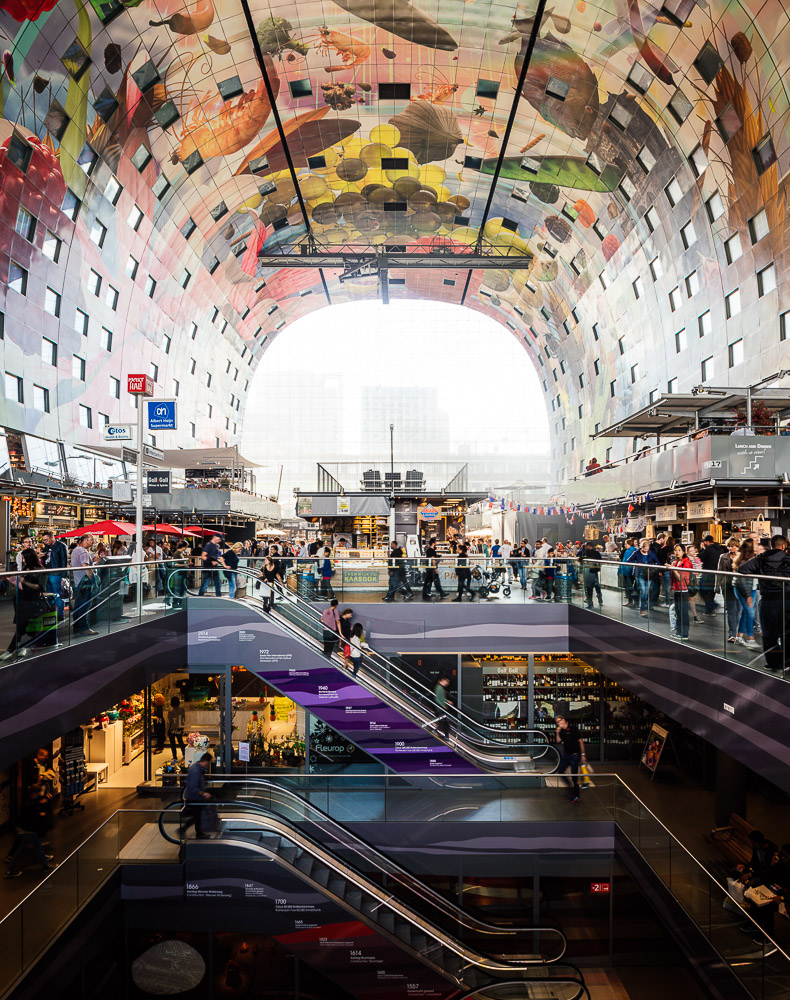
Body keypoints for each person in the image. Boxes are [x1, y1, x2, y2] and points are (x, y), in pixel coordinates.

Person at [738, 535, 790, 673]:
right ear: (784, 546)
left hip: (768, 601)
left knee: (769, 634)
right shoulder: (788, 559)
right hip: (788, 600)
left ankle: (774, 663)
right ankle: (788, 663)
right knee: (788, 633)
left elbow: (742, 569)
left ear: (772, 545)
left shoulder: (760, 559)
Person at [2, 548, 47, 658]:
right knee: (22, 624)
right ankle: (20, 647)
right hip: (21, 598)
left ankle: (13, 649)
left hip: (31, 600)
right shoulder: (25, 568)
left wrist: (24, 581)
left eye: (24, 558)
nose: (23, 560)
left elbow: (40, 587)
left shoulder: (39, 570)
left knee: (23, 624)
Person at [5, 780, 55, 877]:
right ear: (34, 793)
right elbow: (30, 815)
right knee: (34, 847)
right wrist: (40, 814)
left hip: (26, 829)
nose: (38, 795)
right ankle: (45, 865)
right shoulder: (29, 804)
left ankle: (10, 869)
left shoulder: (29, 800)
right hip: (29, 830)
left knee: (30, 847)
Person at [732, 538, 759, 648]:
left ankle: (739, 637)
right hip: (743, 590)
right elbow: (742, 581)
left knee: (746, 612)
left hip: (751, 588)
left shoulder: (753, 559)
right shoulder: (743, 563)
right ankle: (750, 639)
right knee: (750, 612)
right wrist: (748, 595)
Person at [71, 534, 97, 634]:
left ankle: (77, 626)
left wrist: (92, 561)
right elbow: (85, 566)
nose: (93, 542)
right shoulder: (83, 551)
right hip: (84, 582)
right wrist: (92, 579)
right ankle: (84, 628)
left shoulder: (76, 550)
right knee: (84, 605)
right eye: (92, 540)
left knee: (79, 605)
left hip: (78, 581)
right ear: (85, 540)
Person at [626, 538, 660, 616]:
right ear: (642, 547)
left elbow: (657, 562)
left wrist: (653, 566)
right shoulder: (637, 553)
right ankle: (642, 609)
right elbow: (629, 561)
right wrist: (637, 563)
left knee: (647, 591)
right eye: (645, 547)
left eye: (647, 547)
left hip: (649, 574)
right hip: (639, 573)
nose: (646, 549)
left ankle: (645, 605)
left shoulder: (651, 553)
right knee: (644, 591)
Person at [555, 715, 585, 803]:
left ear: (563, 720)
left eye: (559, 721)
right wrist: (557, 732)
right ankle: (570, 789)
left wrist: (583, 754)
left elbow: (581, 741)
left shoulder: (573, 729)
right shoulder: (562, 731)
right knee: (561, 771)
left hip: (575, 756)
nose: (558, 723)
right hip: (566, 755)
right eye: (557, 722)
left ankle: (576, 795)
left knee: (574, 776)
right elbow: (558, 741)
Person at [184, 752, 213, 839]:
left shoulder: (197, 768)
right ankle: (185, 830)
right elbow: (193, 788)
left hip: (196, 797)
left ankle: (199, 833)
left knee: (197, 816)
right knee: (196, 816)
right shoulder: (195, 770)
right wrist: (204, 794)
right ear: (206, 761)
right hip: (194, 798)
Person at [718, 537, 741, 644]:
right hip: (727, 585)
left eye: (733, 546)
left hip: (740, 586)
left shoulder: (743, 557)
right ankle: (732, 633)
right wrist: (716, 585)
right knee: (731, 610)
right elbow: (719, 572)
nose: (731, 548)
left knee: (738, 610)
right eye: (729, 546)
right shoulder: (723, 557)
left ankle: (735, 631)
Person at [41, 530, 67, 621]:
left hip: (56, 573)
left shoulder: (61, 546)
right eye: (44, 540)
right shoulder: (46, 547)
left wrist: (63, 576)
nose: (45, 542)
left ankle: (60, 614)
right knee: (49, 594)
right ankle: (52, 612)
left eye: (46, 540)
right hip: (47, 573)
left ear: (52, 537)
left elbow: (64, 561)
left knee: (58, 594)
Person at [669, 542, 693, 640]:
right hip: (677, 590)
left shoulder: (686, 562)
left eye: (679, 550)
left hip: (684, 590)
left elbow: (681, 578)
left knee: (683, 612)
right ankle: (679, 632)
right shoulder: (676, 562)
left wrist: (673, 569)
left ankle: (684, 634)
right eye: (675, 550)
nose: (677, 552)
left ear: (683, 551)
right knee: (678, 612)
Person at [699, 534, 726, 615]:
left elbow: (701, 557)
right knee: (711, 592)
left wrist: (702, 549)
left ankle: (713, 605)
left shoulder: (708, 549)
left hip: (707, 573)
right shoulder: (719, 549)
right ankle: (709, 610)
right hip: (716, 573)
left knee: (702, 590)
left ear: (707, 542)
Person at [579, 540, 603, 609]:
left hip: (588, 571)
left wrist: (580, 558)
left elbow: (584, 558)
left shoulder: (587, 552)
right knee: (597, 585)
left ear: (588, 546)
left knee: (588, 587)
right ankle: (600, 599)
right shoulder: (597, 553)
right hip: (595, 571)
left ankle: (590, 603)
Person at [422, 536, 445, 601]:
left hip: (429, 568)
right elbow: (433, 560)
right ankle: (441, 593)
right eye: (436, 542)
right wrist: (435, 568)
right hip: (431, 568)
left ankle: (426, 593)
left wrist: (438, 556)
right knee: (435, 581)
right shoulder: (431, 550)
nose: (436, 543)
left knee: (429, 581)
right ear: (434, 543)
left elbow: (434, 557)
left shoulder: (429, 550)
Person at [618, 538, 638, 607]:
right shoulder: (636, 550)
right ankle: (636, 602)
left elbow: (624, 561)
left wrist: (620, 570)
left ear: (629, 544)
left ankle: (630, 602)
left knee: (629, 587)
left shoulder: (628, 551)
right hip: (634, 571)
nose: (625, 545)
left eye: (626, 544)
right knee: (634, 586)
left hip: (627, 571)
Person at [167, 695, 186, 760]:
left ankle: (175, 756)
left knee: (173, 744)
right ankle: (184, 754)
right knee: (180, 741)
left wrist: (167, 730)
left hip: (172, 728)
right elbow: (183, 719)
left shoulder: (171, 711)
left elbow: (169, 721)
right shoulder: (182, 710)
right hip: (179, 728)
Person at [434, 674, 452, 738]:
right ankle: (438, 732)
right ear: (443, 680)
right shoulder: (439, 688)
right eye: (447, 681)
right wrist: (442, 706)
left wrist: (447, 701)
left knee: (444, 724)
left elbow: (441, 698)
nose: (447, 683)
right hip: (440, 709)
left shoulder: (440, 688)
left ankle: (446, 736)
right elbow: (437, 698)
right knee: (444, 724)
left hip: (441, 709)